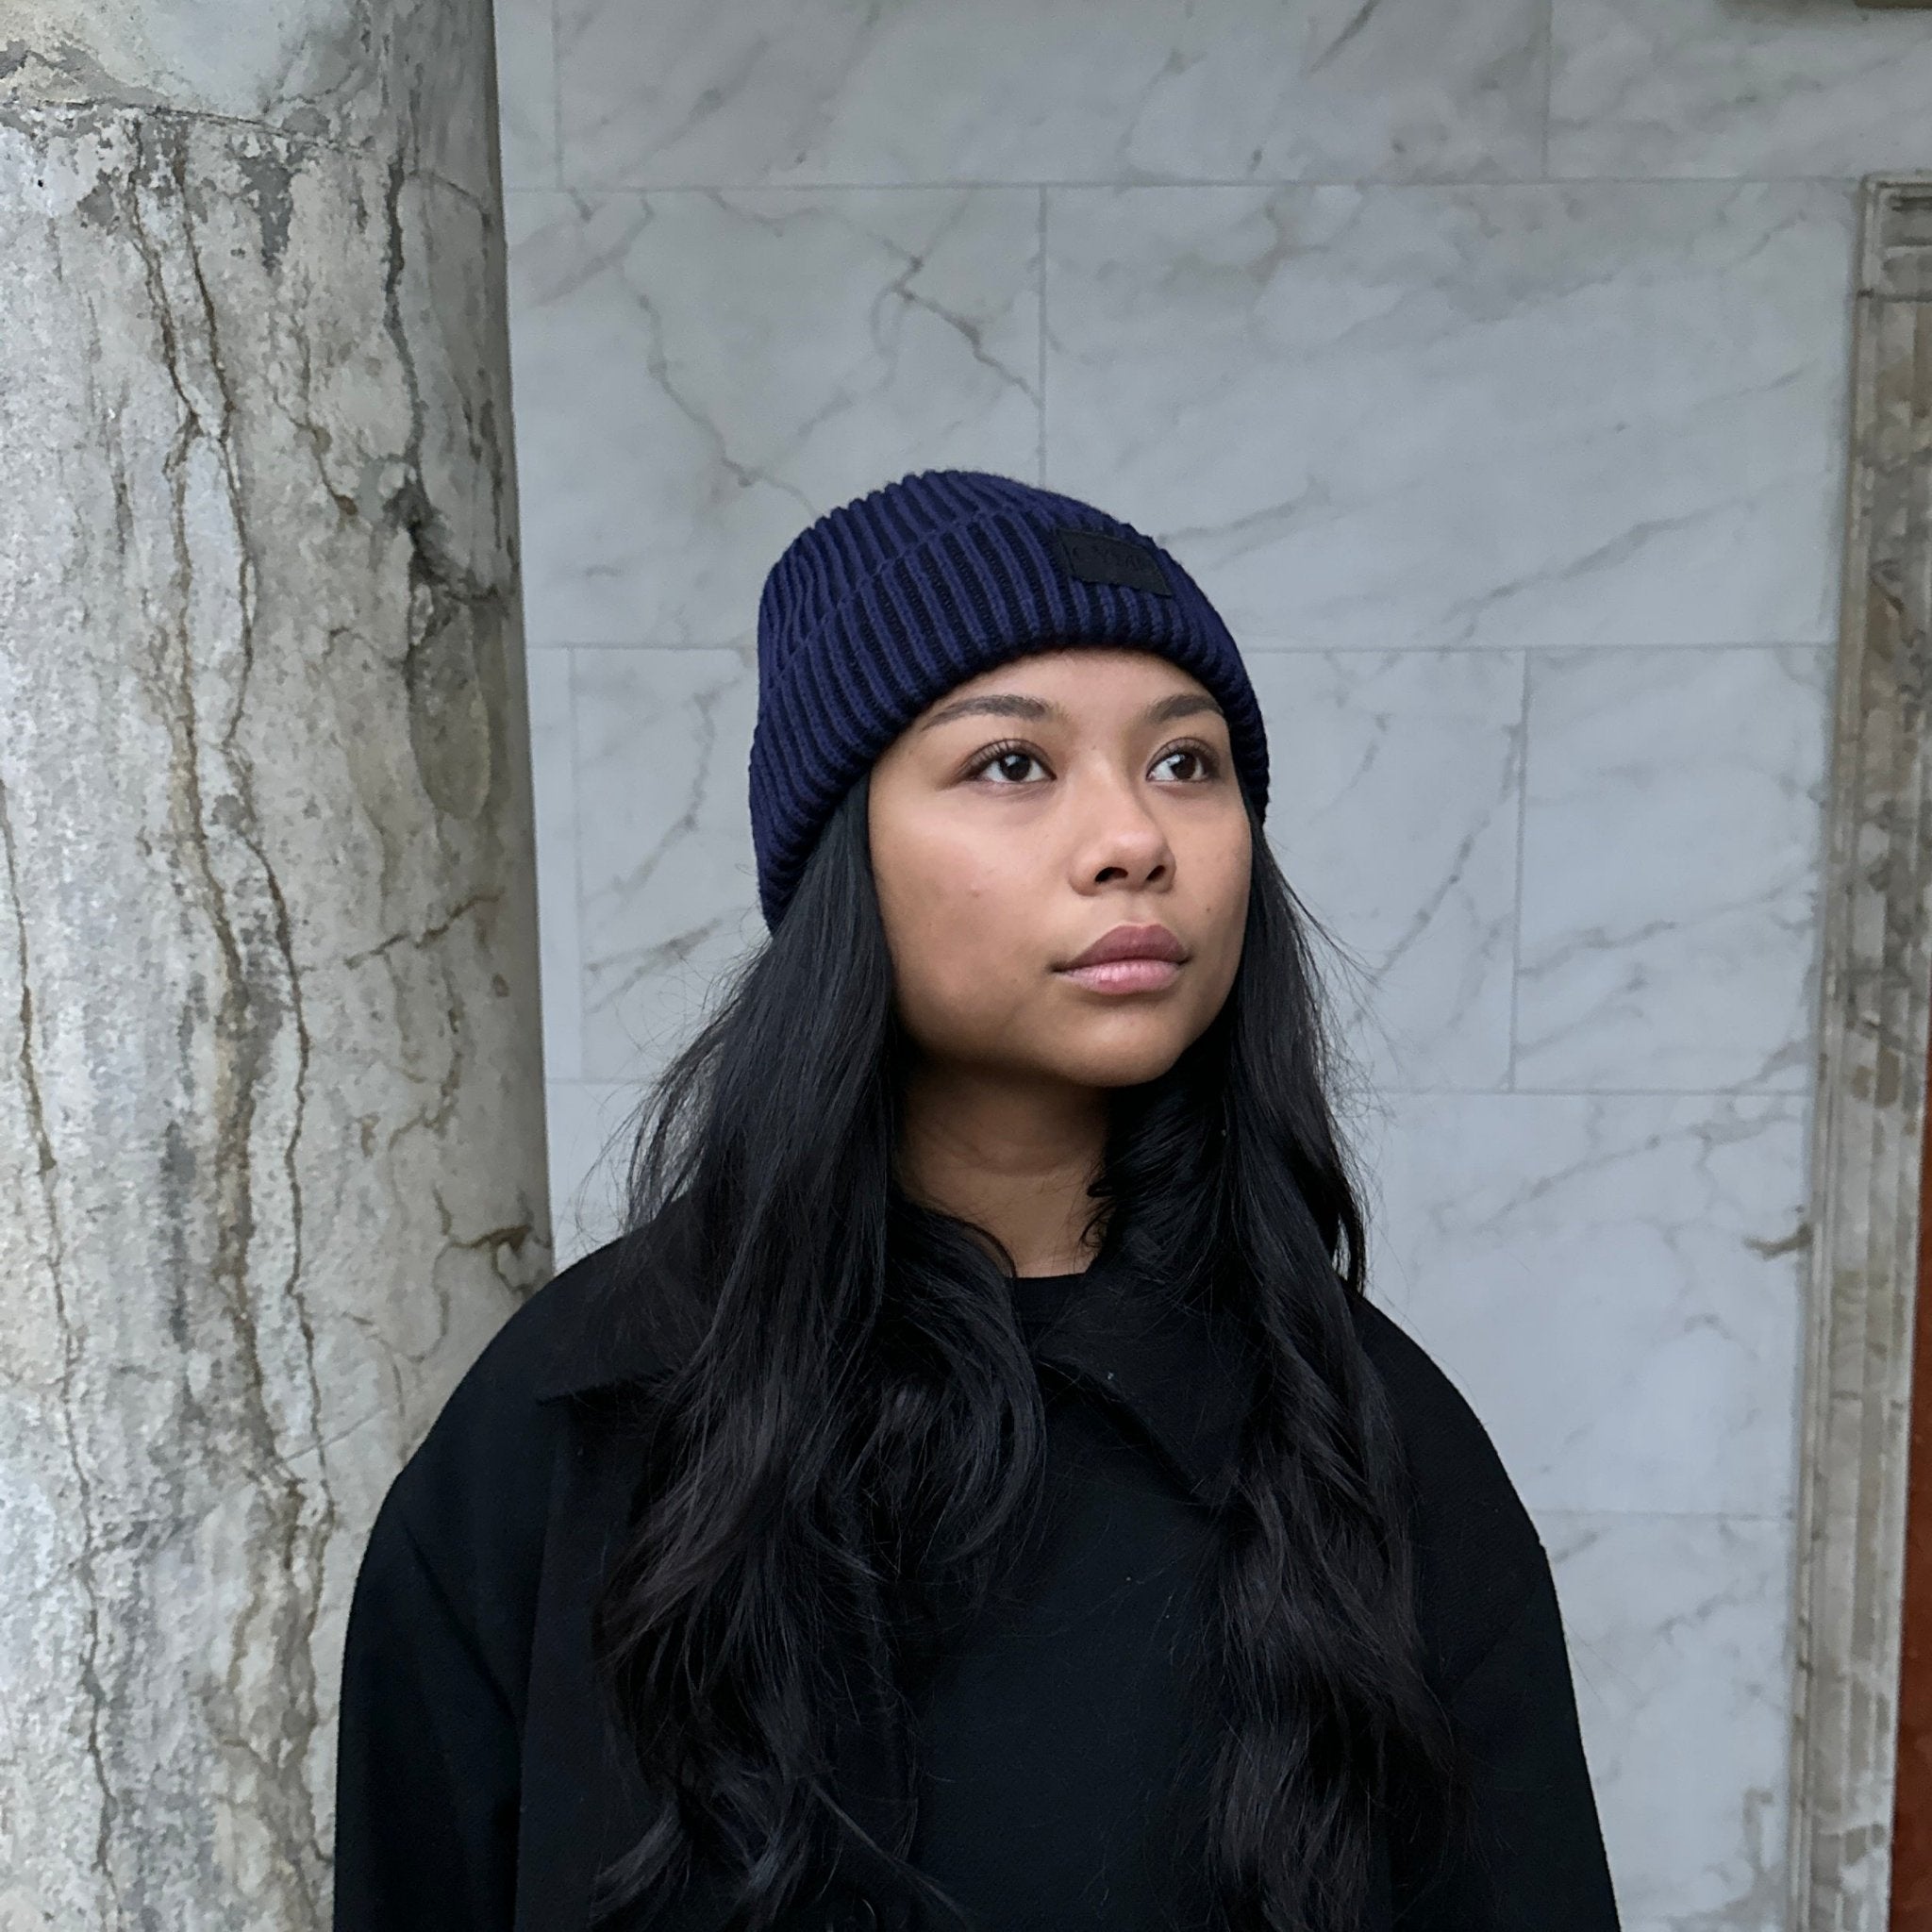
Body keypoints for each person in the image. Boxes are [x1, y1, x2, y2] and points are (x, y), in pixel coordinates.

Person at [332, 469, 1623, 1932]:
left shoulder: (1367, 1439)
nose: (1135, 836)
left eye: (1187, 763)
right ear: (843, 853)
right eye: (1012, 765)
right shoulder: (578, 1423)